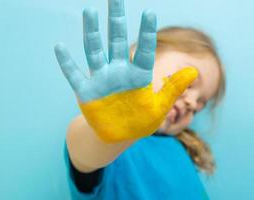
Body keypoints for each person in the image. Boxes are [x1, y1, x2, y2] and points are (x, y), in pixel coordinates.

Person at [54, 0, 226, 199]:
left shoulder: (179, 151)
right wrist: (108, 133)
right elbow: (83, 149)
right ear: (144, 54)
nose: (191, 103)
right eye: (189, 83)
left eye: (199, 107)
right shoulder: (116, 145)